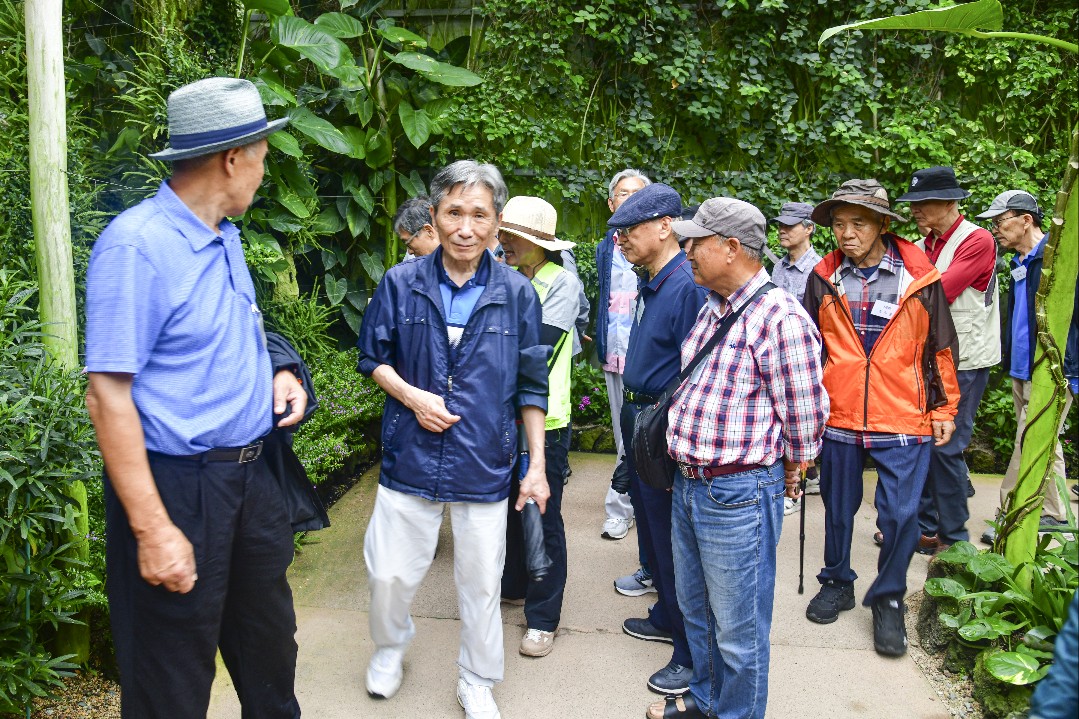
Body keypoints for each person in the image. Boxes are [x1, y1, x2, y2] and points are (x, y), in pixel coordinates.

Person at [84, 77, 308, 718]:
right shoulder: (137, 246)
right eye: (262, 157)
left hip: (252, 482)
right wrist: (154, 530)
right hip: (181, 490)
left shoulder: (223, 233)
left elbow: (224, 334)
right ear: (233, 159)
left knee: (271, 659)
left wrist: (279, 369)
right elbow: (107, 394)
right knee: (171, 683)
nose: (264, 172)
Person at [357, 160, 551, 719]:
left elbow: (531, 386)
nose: (466, 228)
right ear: (435, 216)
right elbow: (373, 357)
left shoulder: (518, 293)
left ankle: (477, 678)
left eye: (479, 215)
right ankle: (390, 646)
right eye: (454, 213)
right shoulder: (400, 283)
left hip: (484, 457)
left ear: (497, 224)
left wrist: (536, 466)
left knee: (482, 583)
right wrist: (414, 397)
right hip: (410, 453)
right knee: (389, 574)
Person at [649, 198, 828, 719]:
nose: (686, 251)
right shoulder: (714, 306)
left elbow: (806, 414)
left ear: (731, 247)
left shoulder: (780, 317)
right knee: (699, 613)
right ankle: (707, 703)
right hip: (691, 484)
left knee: (739, 630)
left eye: (696, 242)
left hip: (738, 493)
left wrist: (793, 465)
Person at [802, 179, 960, 657]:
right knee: (837, 507)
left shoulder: (920, 276)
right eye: (838, 224)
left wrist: (944, 407)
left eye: (858, 223)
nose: (846, 234)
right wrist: (805, 410)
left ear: (882, 225)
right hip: (840, 413)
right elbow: (808, 348)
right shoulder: (823, 276)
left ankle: (888, 598)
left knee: (901, 515)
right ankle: (836, 581)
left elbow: (941, 348)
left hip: (904, 414)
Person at [608, 183, 708, 696]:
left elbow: (695, 371)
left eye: (630, 229)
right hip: (642, 419)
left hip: (663, 425)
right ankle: (667, 616)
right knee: (651, 530)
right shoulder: (655, 280)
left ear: (666, 226)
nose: (620, 238)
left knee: (674, 544)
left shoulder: (686, 285)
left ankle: (689, 655)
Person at [894, 166, 1001, 555]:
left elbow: (938, 293)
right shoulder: (921, 245)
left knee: (947, 446)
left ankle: (954, 539)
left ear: (950, 202)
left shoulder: (977, 239)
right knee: (923, 442)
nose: (915, 210)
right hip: (926, 361)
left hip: (965, 361)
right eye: (913, 203)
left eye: (923, 202)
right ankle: (925, 528)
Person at [498, 195, 582, 657]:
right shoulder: (505, 276)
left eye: (512, 236)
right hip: (500, 418)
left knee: (542, 517)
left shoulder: (562, 283)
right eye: (503, 234)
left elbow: (536, 354)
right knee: (509, 510)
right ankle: (514, 586)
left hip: (545, 421)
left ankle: (543, 618)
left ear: (541, 244)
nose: (503, 242)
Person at [975, 190, 1079, 543]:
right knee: (1047, 442)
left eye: (1000, 221)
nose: (995, 229)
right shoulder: (1019, 263)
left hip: (1050, 370)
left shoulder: (1056, 259)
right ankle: (1056, 514)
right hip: (1021, 369)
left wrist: (1068, 367)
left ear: (1025, 219)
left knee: (1027, 440)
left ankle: (1009, 513)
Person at [597, 169, 650, 544]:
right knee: (622, 434)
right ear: (610, 202)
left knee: (635, 435)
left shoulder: (655, 246)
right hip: (612, 351)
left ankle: (619, 507)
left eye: (636, 193)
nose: (628, 199)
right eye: (622, 193)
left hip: (643, 354)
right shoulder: (606, 247)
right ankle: (633, 503)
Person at [769, 200, 824, 515]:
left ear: (809, 229)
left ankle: (794, 491)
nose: (782, 230)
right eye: (780, 225)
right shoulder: (778, 267)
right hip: (776, 354)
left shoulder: (820, 269)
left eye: (790, 225)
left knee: (800, 420)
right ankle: (810, 478)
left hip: (804, 357)